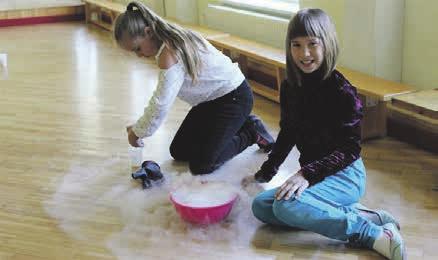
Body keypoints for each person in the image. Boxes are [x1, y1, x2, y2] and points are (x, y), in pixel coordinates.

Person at [248, 8, 405, 260]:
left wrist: (305, 174)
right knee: (262, 207)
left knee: (286, 205)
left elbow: (350, 150)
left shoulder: (343, 92)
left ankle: (371, 233)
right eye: (296, 45)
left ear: (327, 44)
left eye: (312, 44)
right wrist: (265, 173)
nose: (304, 53)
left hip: (346, 175)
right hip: (314, 175)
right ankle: (365, 215)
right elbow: (288, 132)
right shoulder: (291, 85)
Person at [114, 1, 274, 175]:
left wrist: (137, 132)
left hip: (234, 98)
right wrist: (140, 128)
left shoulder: (169, 53)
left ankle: (251, 132)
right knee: (179, 151)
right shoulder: (168, 38)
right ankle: (238, 126)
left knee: (201, 166)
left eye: (137, 48)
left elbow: (160, 105)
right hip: (211, 102)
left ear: (148, 32)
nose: (138, 55)